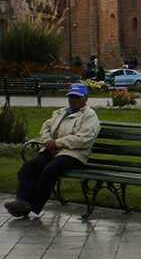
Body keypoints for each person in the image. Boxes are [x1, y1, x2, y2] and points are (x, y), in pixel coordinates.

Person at [4, 83, 101, 218]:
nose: (73, 100)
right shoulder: (59, 112)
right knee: (29, 167)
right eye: (71, 97)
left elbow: (83, 139)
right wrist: (48, 143)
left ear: (85, 98)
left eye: (77, 97)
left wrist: (56, 143)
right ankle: (22, 201)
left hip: (74, 154)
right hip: (52, 151)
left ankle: (33, 205)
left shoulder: (89, 116)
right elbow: (45, 128)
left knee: (51, 169)